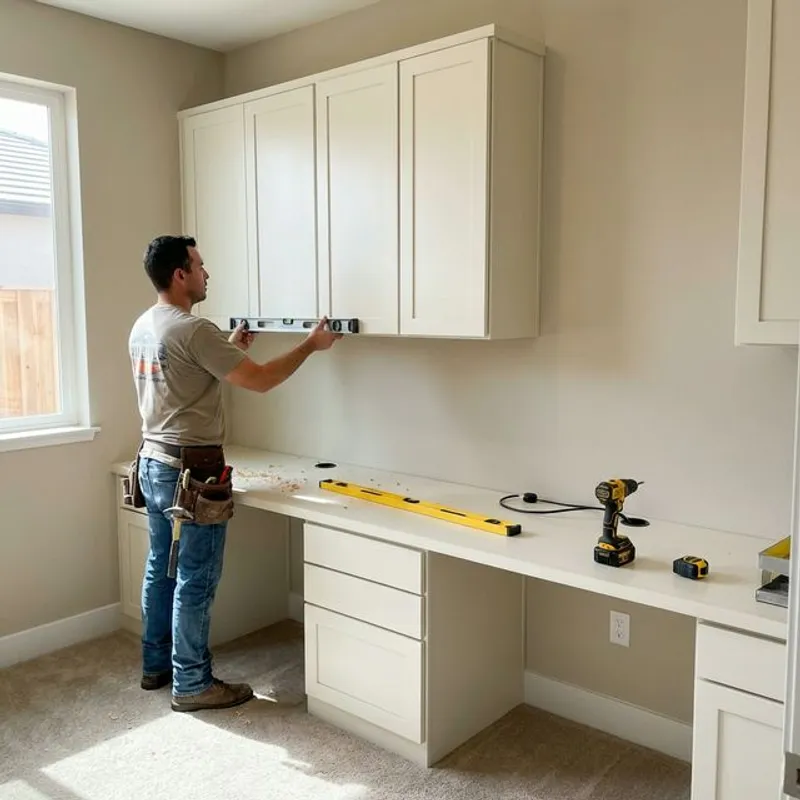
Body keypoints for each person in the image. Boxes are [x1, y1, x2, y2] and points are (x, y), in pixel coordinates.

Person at [128, 234, 341, 712]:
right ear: (180, 274)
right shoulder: (192, 329)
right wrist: (311, 344)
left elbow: (182, 377)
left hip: (154, 461)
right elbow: (261, 381)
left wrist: (228, 348)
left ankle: (157, 665)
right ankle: (192, 684)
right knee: (195, 579)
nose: (207, 275)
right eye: (200, 266)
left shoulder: (146, 325)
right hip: (192, 472)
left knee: (161, 569)